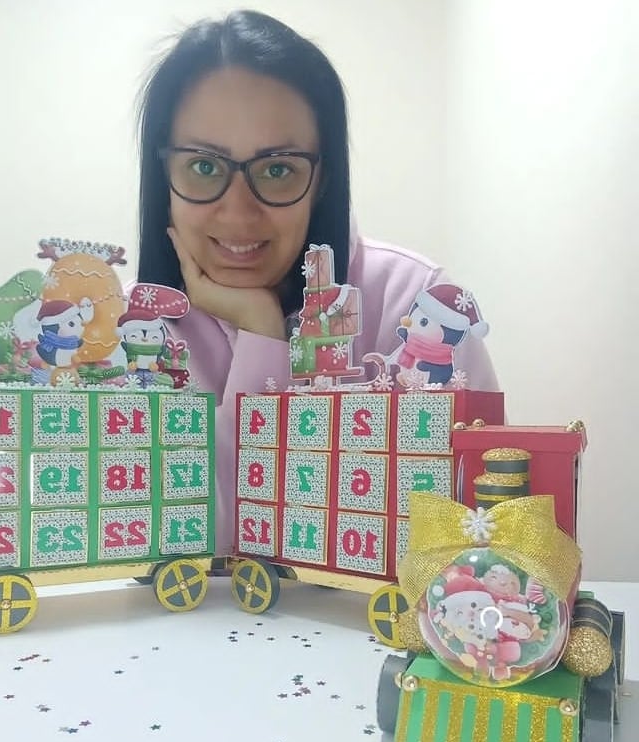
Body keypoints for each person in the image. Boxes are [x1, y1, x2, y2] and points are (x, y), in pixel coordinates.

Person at [136, 9, 500, 556]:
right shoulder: (129, 332)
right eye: (205, 167)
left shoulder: (420, 306)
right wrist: (262, 333)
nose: (239, 213)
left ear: (323, 176)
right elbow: (174, 549)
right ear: (162, 173)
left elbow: (483, 536)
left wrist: (262, 338)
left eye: (278, 169)